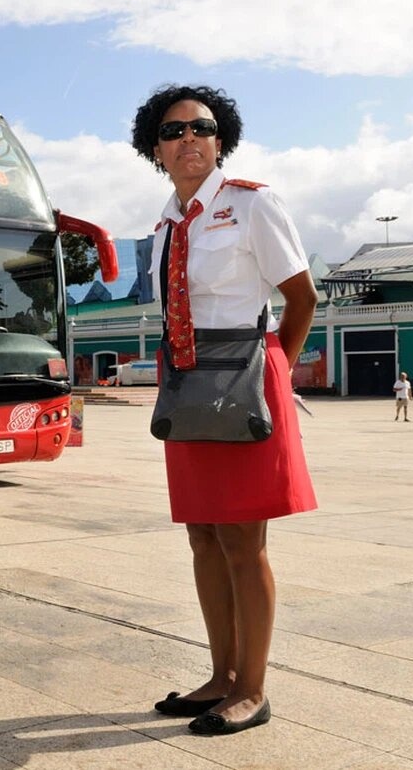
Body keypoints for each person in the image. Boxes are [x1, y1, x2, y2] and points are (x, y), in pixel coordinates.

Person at [132, 84, 318, 736]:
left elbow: (302, 298)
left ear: (221, 140)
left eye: (202, 128)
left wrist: (271, 373)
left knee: (244, 539)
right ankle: (220, 675)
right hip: (186, 377)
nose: (190, 139)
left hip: (243, 370)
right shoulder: (162, 225)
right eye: (174, 130)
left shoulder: (251, 205)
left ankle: (253, 688)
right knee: (202, 534)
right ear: (155, 148)